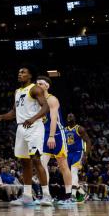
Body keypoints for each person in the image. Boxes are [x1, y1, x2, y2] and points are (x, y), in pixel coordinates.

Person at [0, 67, 51, 207]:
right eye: (19, 72)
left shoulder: (35, 89)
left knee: (36, 160)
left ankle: (47, 195)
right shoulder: (17, 92)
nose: (20, 74)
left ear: (30, 76)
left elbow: (46, 107)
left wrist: (33, 118)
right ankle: (27, 196)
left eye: (23, 72)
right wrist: (1, 116)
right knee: (24, 162)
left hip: (34, 127)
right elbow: (14, 112)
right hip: (21, 128)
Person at [35, 77, 75, 208]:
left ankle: (69, 196)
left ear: (47, 86)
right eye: (37, 84)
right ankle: (46, 195)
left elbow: (53, 119)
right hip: (43, 134)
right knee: (41, 164)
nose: (38, 85)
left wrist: (51, 136)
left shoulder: (52, 99)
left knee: (63, 165)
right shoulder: (36, 101)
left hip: (57, 134)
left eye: (41, 83)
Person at [63, 114, 92, 203]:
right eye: (68, 116)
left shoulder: (79, 129)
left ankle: (73, 196)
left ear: (75, 119)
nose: (70, 117)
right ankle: (83, 193)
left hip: (78, 153)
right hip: (68, 154)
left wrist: (85, 155)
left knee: (73, 172)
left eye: (71, 116)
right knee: (70, 176)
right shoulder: (64, 130)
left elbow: (88, 141)